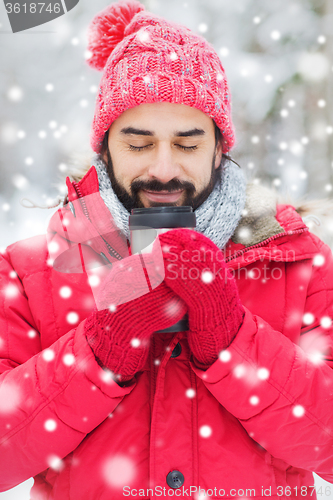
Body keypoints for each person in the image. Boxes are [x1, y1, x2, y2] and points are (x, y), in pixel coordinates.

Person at [1, 1, 333, 498]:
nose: (162, 169)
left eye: (187, 143)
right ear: (105, 147)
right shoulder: (33, 272)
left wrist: (232, 338)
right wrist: (100, 351)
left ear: (220, 147)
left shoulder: (294, 261)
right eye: (138, 144)